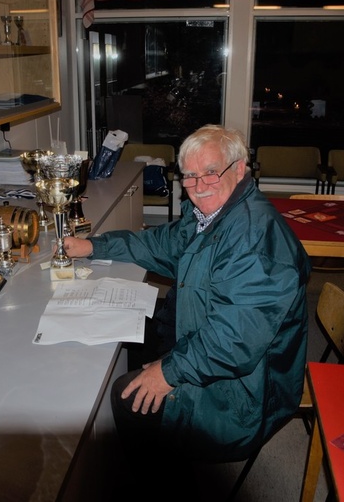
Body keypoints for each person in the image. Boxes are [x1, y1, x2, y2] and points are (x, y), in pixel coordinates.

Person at [63, 124, 311, 485]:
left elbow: (234, 342)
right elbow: (161, 244)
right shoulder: (211, 215)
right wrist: (95, 246)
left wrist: (167, 372)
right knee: (120, 334)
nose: (198, 185)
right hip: (200, 334)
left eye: (211, 172)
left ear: (239, 169)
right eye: (190, 176)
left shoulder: (255, 241)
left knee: (125, 395)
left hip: (244, 393)